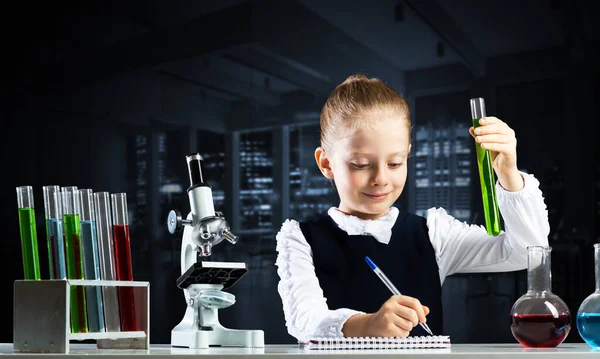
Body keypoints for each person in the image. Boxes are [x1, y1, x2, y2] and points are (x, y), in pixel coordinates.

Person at [274, 74, 550, 342]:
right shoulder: (300, 238)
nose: (380, 178)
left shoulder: (434, 234)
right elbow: (305, 321)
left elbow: (527, 253)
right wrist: (369, 324)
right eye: (360, 164)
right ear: (326, 163)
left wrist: (509, 174)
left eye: (395, 163)